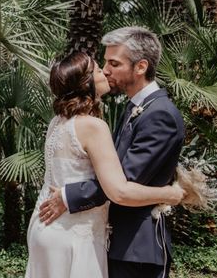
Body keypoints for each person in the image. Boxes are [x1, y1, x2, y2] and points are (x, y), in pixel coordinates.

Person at [38, 27, 185, 278]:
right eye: (104, 63)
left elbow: (123, 182)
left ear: (140, 67)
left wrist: (68, 194)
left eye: (114, 63)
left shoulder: (160, 114)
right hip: (115, 243)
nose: (106, 69)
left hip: (137, 248)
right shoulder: (133, 108)